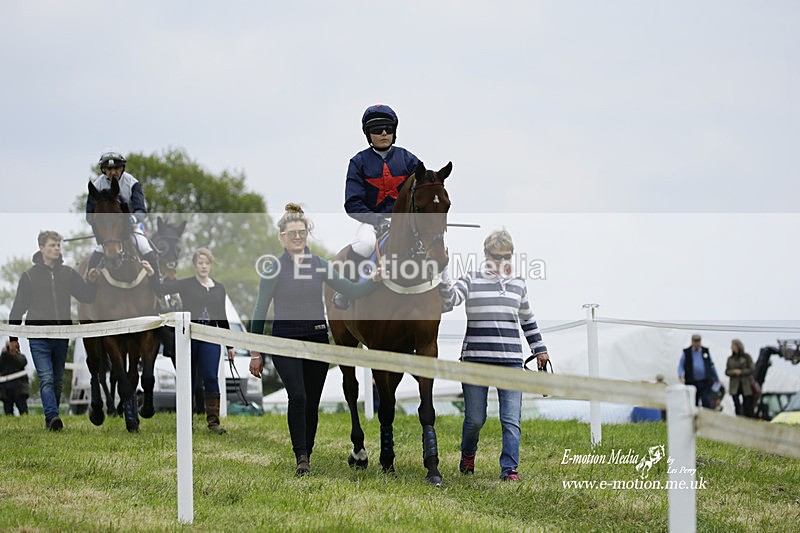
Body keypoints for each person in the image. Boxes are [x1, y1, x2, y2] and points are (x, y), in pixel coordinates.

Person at [248, 203, 382, 476]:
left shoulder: (320, 264)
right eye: (292, 232)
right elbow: (259, 311)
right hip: (285, 341)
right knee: (297, 396)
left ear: (307, 233)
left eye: (302, 231)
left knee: (311, 400)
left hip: (318, 340)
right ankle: (302, 458)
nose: (298, 236)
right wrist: (255, 352)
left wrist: (374, 280)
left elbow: (352, 291)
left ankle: (307, 450)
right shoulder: (273, 268)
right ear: (282, 237)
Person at [439, 229, 549, 481]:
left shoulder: (519, 283)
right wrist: (444, 276)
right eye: (495, 256)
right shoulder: (471, 278)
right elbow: (449, 301)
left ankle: (509, 470)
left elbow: (527, 318)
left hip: (510, 361)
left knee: (511, 420)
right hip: (475, 361)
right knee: (475, 419)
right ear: (485, 253)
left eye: (506, 256)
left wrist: (539, 348)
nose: (501, 261)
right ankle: (468, 455)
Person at [8, 231, 99, 430]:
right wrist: (13, 338)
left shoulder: (68, 273)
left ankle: (53, 420)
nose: (57, 248)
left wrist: (92, 281)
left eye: (58, 245)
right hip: (38, 336)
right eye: (52, 245)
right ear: (41, 248)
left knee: (57, 381)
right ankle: (52, 417)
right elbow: (18, 308)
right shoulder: (28, 276)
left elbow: (86, 296)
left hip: (61, 335)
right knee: (47, 378)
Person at [333, 104, 421, 309]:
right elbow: (352, 203)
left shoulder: (409, 160)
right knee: (363, 244)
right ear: (368, 134)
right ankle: (347, 289)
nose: (383, 133)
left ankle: (444, 288)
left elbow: (423, 191)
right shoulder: (358, 162)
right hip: (371, 221)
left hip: (406, 222)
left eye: (388, 129)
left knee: (433, 243)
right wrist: (376, 220)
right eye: (377, 129)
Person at [142, 247, 234, 434]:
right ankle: (186, 421)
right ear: (194, 265)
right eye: (200, 263)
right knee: (189, 379)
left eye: (206, 263)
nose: (203, 266)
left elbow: (222, 316)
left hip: (210, 337)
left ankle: (213, 422)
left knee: (210, 377)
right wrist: (152, 273)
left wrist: (230, 345)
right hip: (189, 337)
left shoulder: (219, 288)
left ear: (211, 265)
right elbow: (160, 290)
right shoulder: (186, 284)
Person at [85, 151, 162, 282]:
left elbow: (141, 210)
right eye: (109, 169)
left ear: (122, 168)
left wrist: (133, 219)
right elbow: (89, 214)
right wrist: (101, 226)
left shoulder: (132, 183)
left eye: (116, 168)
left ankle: (158, 283)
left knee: (145, 247)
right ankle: (88, 283)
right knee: (97, 253)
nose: (113, 172)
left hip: (131, 226)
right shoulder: (97, 185)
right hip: (109, 230)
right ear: (104, 170)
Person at [678, 334, 721, 409]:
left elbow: (711, 366)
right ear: (692, 342)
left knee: (707, 402)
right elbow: (681, 365)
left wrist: (717, 378)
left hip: (705, 382)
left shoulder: (705, 351)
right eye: (695, 341)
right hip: (692, 382)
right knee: (694, 403)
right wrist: (681, 374)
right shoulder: (686, 352)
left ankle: (707, 419)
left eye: (698, 341)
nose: (697, 343)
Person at [725, 339, 756, 417]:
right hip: (734, 385)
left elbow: (752, 369)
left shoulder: (746, 357)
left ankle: (748, 418)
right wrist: (734, 372)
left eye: (733, 346)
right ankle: (738, 417)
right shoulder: (730, 359)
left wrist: (741, 372)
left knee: (747, 404)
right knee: (736, 404)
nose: (732, 347)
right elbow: (727, 371)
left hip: (745, 384)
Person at [1, 339, 30, 415]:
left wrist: (15, 354)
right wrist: (4, 353)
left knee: (23, 410)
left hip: (19, 388)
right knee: (8, 411)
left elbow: (23, 363)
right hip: (6, 389)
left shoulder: (20, 357)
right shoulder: (4, 356)